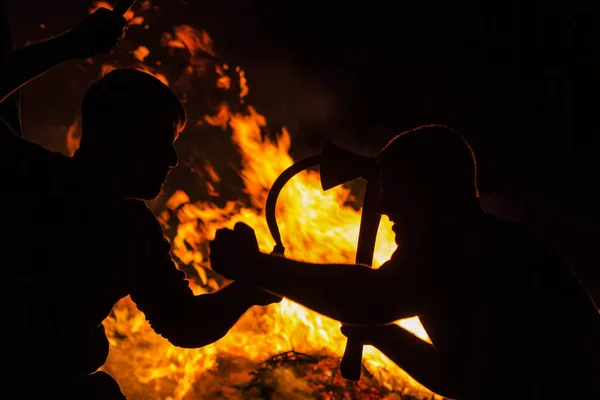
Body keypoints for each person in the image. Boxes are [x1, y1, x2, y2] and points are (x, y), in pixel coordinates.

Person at [1, 9, 279, 400]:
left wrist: (249, 289)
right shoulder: (23, 176)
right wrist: (71, 46)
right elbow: (185, 323)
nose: (172, 160)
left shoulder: (133, 229)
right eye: (161, 141)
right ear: (121, 137)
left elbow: (183, 322)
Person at [209, 125, 600, 399]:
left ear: (431, 190)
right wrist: (383, 335)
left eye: (395, 191)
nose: (383, 207)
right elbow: (466, 379)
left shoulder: (464, 247)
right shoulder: (477, 242)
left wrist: (256, 268)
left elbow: (370, 299)